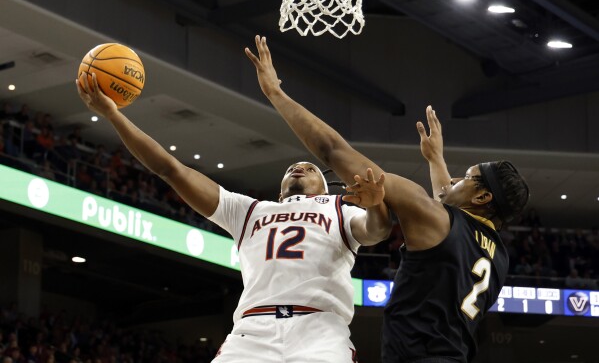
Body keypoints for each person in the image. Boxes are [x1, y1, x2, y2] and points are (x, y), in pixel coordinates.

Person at [245, 35, 530, 363]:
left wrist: (275, 93)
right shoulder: (498, 256)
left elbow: (334, 151)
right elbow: (445, 204)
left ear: (482, 196)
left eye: (466, 178)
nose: (453, 180)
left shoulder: (434, 217)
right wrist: (435, 159)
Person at [76, 73, 391, 363]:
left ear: (325, 187)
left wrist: (376, 206)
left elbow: (375, 232)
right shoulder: (249, 211)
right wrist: (114, 115)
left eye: (309, 168)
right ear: (280, 193)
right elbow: (170, 169)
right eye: (292, 168)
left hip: (320, 328)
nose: (299, 168)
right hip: (253, 331)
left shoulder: (338, 207)